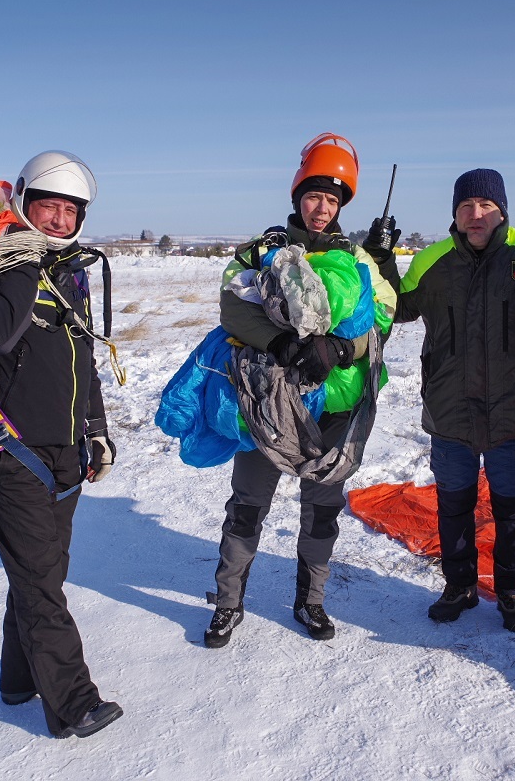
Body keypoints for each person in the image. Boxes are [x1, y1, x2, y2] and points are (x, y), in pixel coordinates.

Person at [204, 133, 400, 647]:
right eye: (314, 197)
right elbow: (232, 307)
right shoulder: (262, 250)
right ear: (297, 198)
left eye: (332, 200)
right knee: (247, 505)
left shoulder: (361, 260)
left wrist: (339, 351)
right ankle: (228, 603)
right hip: (269, 406)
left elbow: (381, 322)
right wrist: (284, 343)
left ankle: (310, 601)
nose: (321, 208)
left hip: (336, 408)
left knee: (322, 511)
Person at [0, 150, 122, 738]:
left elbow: (82, 358)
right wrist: (18, 259)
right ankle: (72, 703)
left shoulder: (71, 274)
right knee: (40, 582)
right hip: (11, 450)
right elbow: (1, 337)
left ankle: (18, 678)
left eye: (69, 210)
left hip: (65, 451)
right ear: (24, 203)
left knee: (41, 575)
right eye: (49, 207)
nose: (60, 220)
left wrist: (97, 429)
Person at [395, 169, 515, 630]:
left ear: (502, 210)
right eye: (466, 206)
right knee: (454, 505)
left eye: (486, 206)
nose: (475, 215)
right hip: (450, 412)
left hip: (514, 411)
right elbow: (398, 306)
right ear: (454, 213)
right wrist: (378, 259)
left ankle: (510, 592)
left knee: (513, 510)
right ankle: (460, 586)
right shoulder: (433, 260)